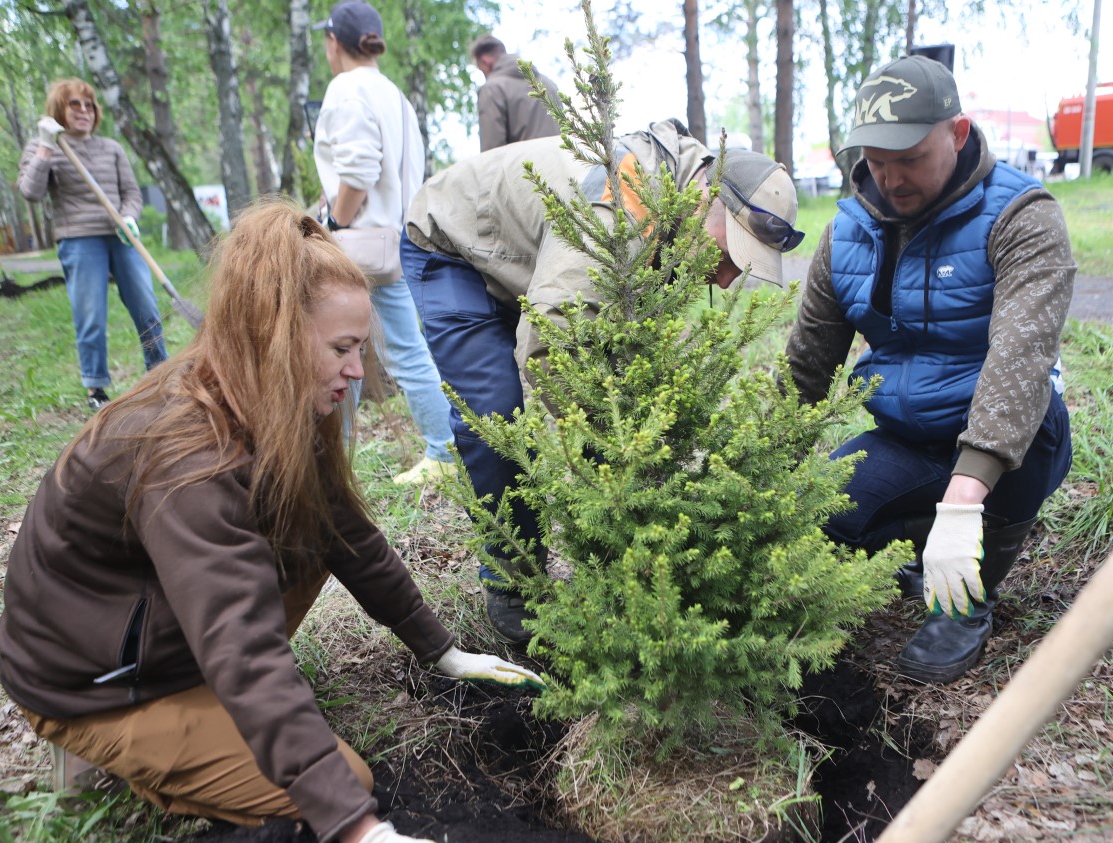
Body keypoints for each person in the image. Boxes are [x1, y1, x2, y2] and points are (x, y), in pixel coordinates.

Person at [0, 201, 544, 843]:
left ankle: (219, 715)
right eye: (342, 348)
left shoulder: (266, 394)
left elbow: (349, 534)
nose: (359, 371)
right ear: (279, 336)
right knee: (345, 782)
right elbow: (243, 647)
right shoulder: (187, 457)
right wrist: (362, 833)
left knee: (315, 530)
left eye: (360, 348)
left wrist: (438, 647)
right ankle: (126, 749)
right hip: (93, 681)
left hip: (161, 622)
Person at [401, 119, 804, 643]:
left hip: (533, 258)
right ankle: (512, 580)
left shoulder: (677, 206)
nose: (727, 278)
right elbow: (551, 342)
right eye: (730, 255)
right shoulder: (621, 210)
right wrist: (616, 451)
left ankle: (618, 564)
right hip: (454, 244)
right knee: (495, 414)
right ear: (708, 198)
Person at [785, 55, 1075, 684]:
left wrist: (966, 498)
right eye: (877, 160)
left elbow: (1019, 362)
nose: (891, 178)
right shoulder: (847, 233)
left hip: (1008, 437)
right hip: (905, 436)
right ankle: (921, 536)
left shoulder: (1023, 218)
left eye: (910, 158)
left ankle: (967, 599)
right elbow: (807, 365)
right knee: (824, 516)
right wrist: (757, 463)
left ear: (958, 133)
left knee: (1029, 424)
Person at [313, 0, 455, 486]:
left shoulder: (345, 90)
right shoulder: (393, 93)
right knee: (404, 349)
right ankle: (442, 450)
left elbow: (357, 170)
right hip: (397, 237)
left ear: (334, 42)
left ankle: (332, 458)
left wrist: (333, 218)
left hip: (357, 244)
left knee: (338, 348)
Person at [17, 78, 168, 411]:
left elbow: (132, 193)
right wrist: (45, 147)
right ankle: (96, 388)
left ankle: (160, 373)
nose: (84, 111)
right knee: (91, 317)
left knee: (147, 308)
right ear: (60, 109)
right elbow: (30, 191)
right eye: (74, 104)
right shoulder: (44, 146)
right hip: (79, 239)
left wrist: (128, 217)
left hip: (121, 237)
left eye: (89, 105)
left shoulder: (111, 148)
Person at [468, 34, 561, 151]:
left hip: (528, 169)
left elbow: (492, 154)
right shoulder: (549, 84)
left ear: (485, 61)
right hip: (565, 166)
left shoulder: (492, 89)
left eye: (481, 70)